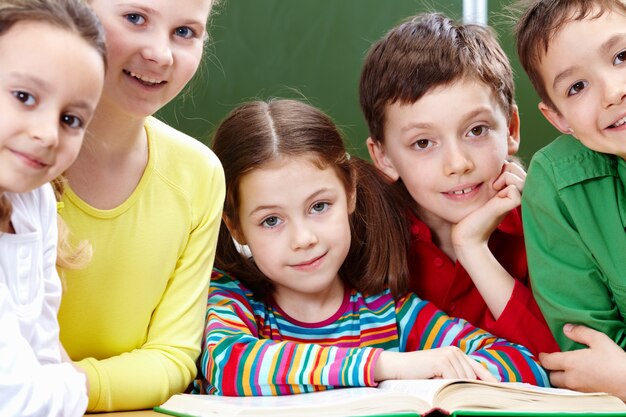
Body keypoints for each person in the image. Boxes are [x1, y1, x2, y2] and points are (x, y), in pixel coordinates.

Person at [194, 98, 549, 396]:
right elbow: (230, 365)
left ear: (349, 193)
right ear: (236, 227)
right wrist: (386, 365)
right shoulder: (230, 299)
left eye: (319, 207)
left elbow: (526, 366)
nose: (304, 239)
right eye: (271, 221)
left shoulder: (389, 313)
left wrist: (447, 370)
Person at [56, 0, 225, 411]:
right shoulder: (18, 158)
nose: (160, 54)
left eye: (185, 33)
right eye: (135, 19)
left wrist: (61, 387)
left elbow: (171, 357)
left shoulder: (198, 174)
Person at [358, 12, 559, 357]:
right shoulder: (360, 237)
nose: (458, 164)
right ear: (384, 157)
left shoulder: (548, 228)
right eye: (423, 143)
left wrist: (472, 248)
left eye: (476, 131)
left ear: (510, 129)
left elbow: (559, 360)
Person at [514, 0, 626, 400]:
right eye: (576, 87)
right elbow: (593, 359)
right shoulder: (559, 184)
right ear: (559, 119)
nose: (614, 91)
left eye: (622, 55)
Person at [0, 0, 106, 415]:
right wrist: (73, 385)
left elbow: (42, 350)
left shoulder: (33, 199)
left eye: (72, 120)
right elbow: (16, 398)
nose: (47, 134)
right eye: (24, 96)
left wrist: (57, 386)